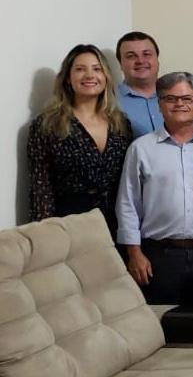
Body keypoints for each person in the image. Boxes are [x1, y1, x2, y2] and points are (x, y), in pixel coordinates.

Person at [115, 71, 193, 306]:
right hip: (158, 255)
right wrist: (134, 253)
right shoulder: (141, 148)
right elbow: (128, 204)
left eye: (187, 98)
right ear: (159, 103)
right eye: (170, 98)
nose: (179, 104)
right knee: (161, 322)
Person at [28, 44, 131, 236]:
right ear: (68, 78)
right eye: (80, 69)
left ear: (106, 77)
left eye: (97, 69)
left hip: (116, 226)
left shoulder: (120, 123)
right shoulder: (48, 125)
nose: (90, 75)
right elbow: (41, 187)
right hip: (68, 227)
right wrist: (46, 235)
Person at [115, 31, 163, 138]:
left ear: (157, 60)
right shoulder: (108, 102)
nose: (140, 61)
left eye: (146, 54)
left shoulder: (179, 97)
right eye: (131, 56)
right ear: (120, 64)